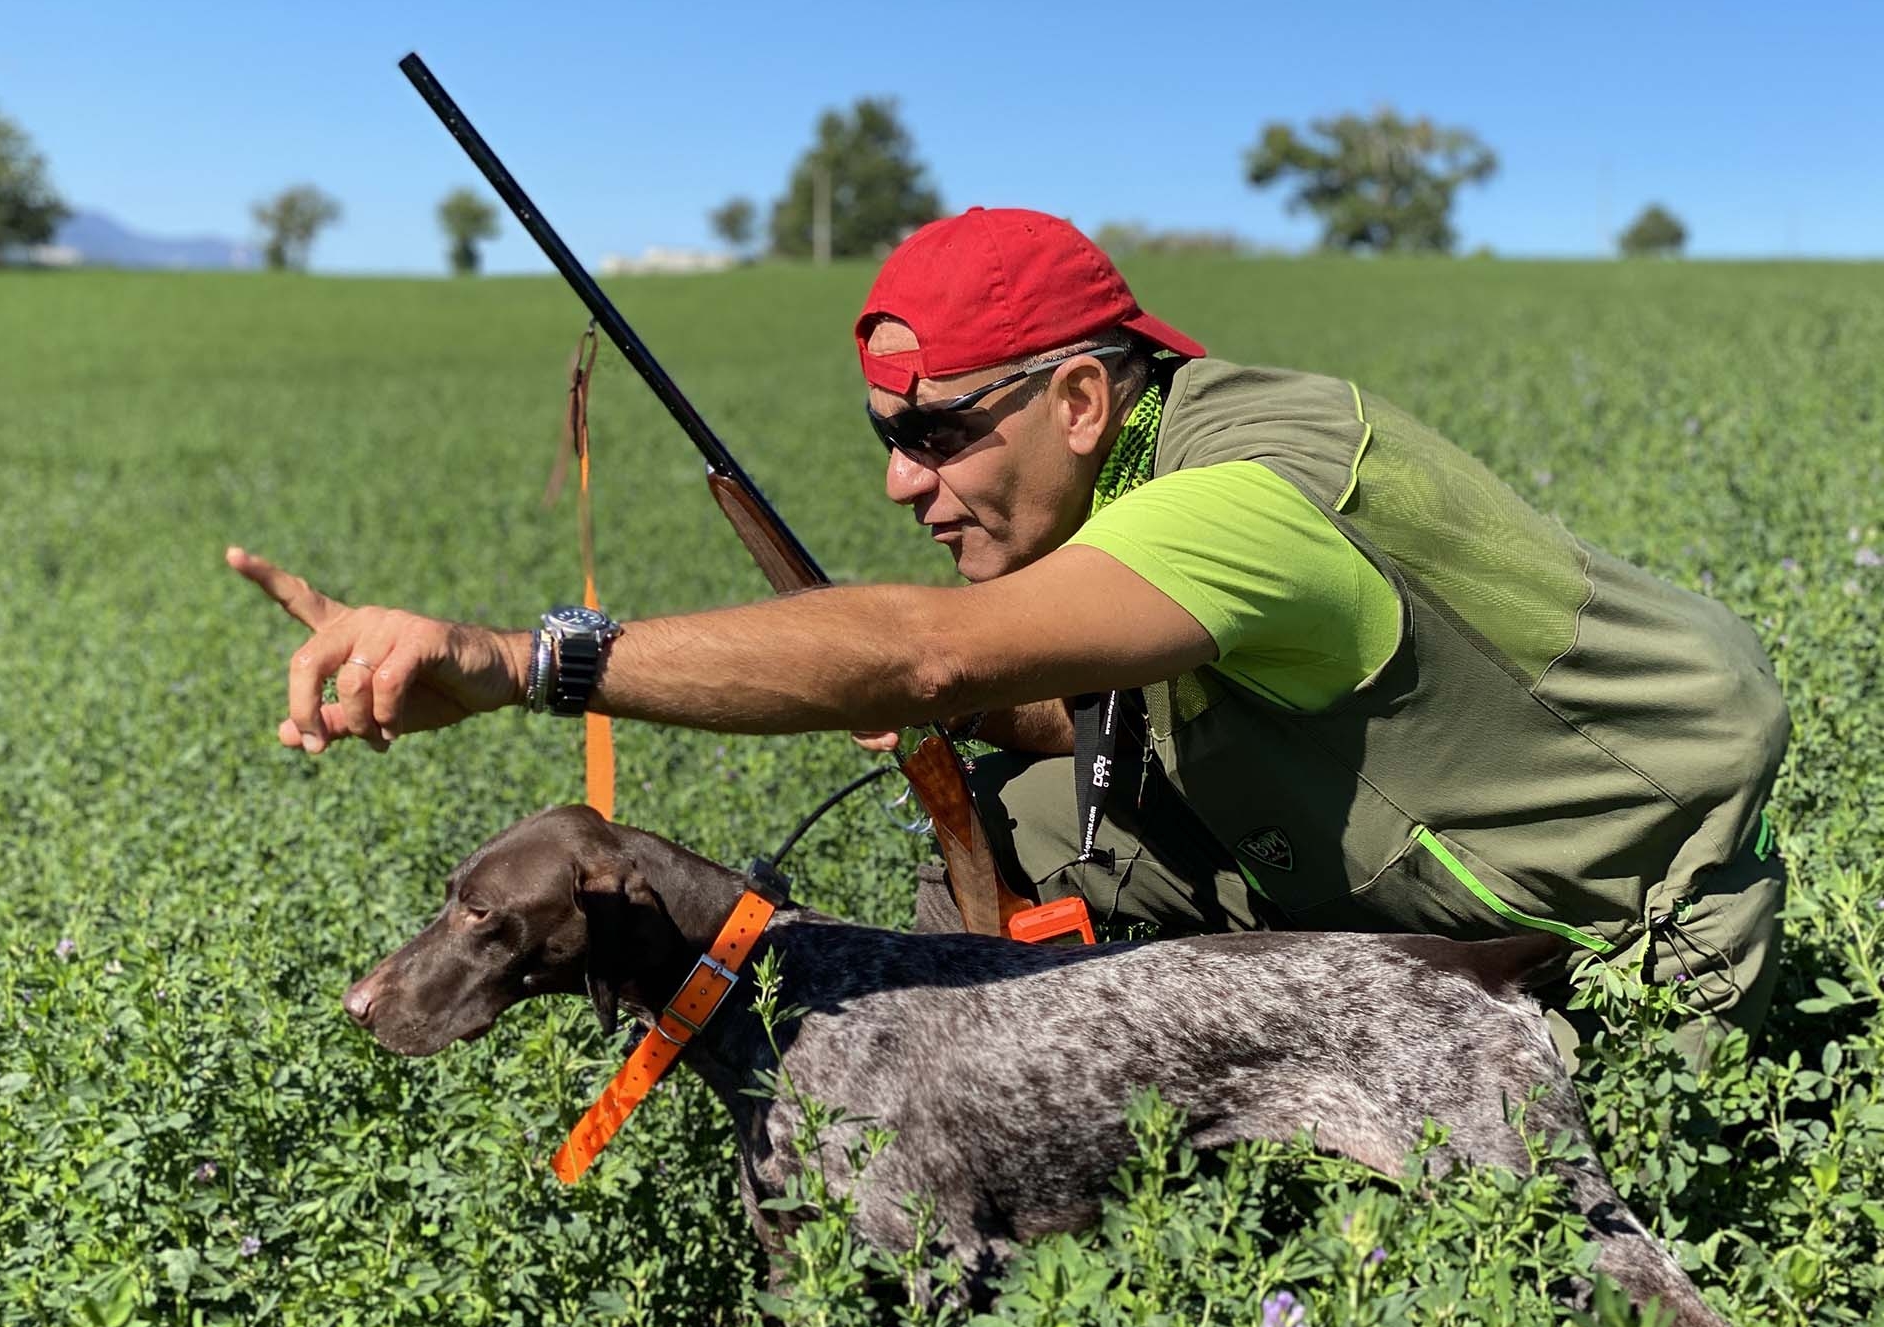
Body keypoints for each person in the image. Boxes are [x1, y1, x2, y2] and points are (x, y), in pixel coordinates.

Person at [231, 207, 1788, 1070]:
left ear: (1083, 399)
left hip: (1616, 936)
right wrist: (980, 722)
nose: (903, 482)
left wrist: (524, 663)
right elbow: (1081, 705)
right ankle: (1013, 1109)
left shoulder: (1243, 502)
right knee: (1026, 799)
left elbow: (932, 652)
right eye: (886, 441)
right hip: (1397, 853)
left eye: (936, 433)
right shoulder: (1150, 474)